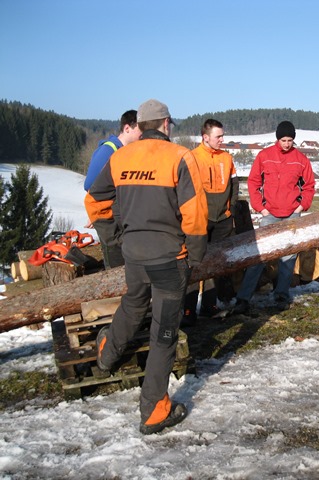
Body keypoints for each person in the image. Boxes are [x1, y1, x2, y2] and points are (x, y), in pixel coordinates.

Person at [85, 99, 208, 435]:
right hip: (169, 259)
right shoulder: (180, 157)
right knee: (164, 333)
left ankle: (107, 354)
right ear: (166, 124)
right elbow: (195, 212)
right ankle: (154, 410)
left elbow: (94, 200)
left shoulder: (121, 157)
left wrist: (113, 237)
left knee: (134, 302)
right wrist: (196, 255)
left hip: (134, 255)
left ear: (140, 126)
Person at [231, 121, 315, 314]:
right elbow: (253, 182)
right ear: (278, 139)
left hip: (292, 214)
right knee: (259, 256)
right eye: (283, 140)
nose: (287, 144)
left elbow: (309, 186)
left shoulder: (301, 159)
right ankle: (243, 299)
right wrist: (261, 208)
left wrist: (301, 206)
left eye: (290, 140)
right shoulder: (265, 156)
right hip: (269, 215)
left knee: (288, 257)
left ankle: (281, 296)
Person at [183, 119, 239, 324]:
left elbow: (234, 186)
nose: (222, 139)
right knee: (194, 262)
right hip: (199, 220)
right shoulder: (192, 157)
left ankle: (210, 305)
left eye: (223, 136)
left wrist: (231, 210)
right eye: (218, 136)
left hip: (222, 220)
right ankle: (188, 309)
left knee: (215, 263)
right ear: (205, 137)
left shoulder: (227, 158)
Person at [84, 110, 142, 268]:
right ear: (127, 128)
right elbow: (90, 185)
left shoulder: (125, 152)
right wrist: (97, 213)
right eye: (140, 130)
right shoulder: (108, 151)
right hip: (111, 226)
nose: (142, 135)